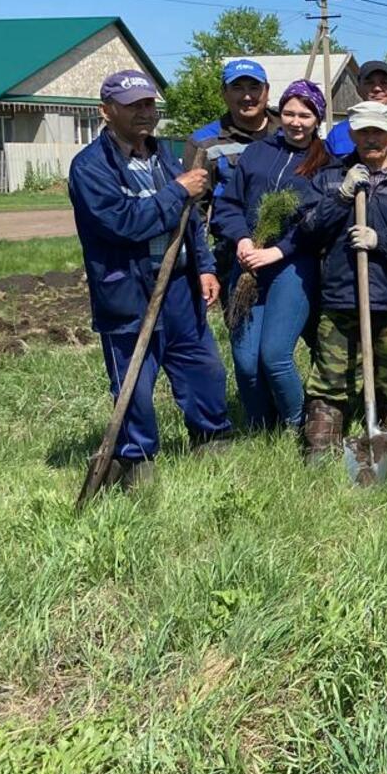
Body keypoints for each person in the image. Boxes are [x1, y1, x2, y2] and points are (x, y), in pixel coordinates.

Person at [70, 70, 233, 489]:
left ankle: (212, 439)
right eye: (133, 105)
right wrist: (178, 190)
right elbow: (121, 223)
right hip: (126, 286)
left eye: (148, 104)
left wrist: (205, 265)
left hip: (178, 283)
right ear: (107, 112)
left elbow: (189, 219)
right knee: (135, 381)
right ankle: (136, 461)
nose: (145, 112)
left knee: (203, 368)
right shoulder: (90, 168)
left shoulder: (163, 155)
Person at [300, 101, 387, 462]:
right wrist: (342, 196)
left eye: (378, 131)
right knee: (330, 379)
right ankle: (320, 457)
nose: (371, 139)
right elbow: (308, 229)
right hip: (341, 296)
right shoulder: (330, 178)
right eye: (363, 131)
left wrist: (382, 242)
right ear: (352, 134)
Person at [211, 79, 330, 434]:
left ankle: (298, 427)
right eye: (290, 113)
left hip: (293, 266)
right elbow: (228, 205)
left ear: (317, 119)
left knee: (274, 357)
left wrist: (279, 251)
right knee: (245, 362)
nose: (296, 121)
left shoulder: (325, 162)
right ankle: (261, 428)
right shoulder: (257, 153)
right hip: (247, 263)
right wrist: (243, 240)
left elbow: (319, 221)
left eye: (305, 115)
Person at [190, 57, 280, 199]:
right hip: (230, 220)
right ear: (224, 93)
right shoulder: (204, 142)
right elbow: (196, 207)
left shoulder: (289, 131)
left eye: (254, 87)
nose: (247, 96)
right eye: (237, 88)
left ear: (267, 90)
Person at [326, 59, 387, 156]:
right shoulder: (339, 133)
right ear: (358, 89)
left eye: (384, 83)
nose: (377, 88)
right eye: (369, 83)